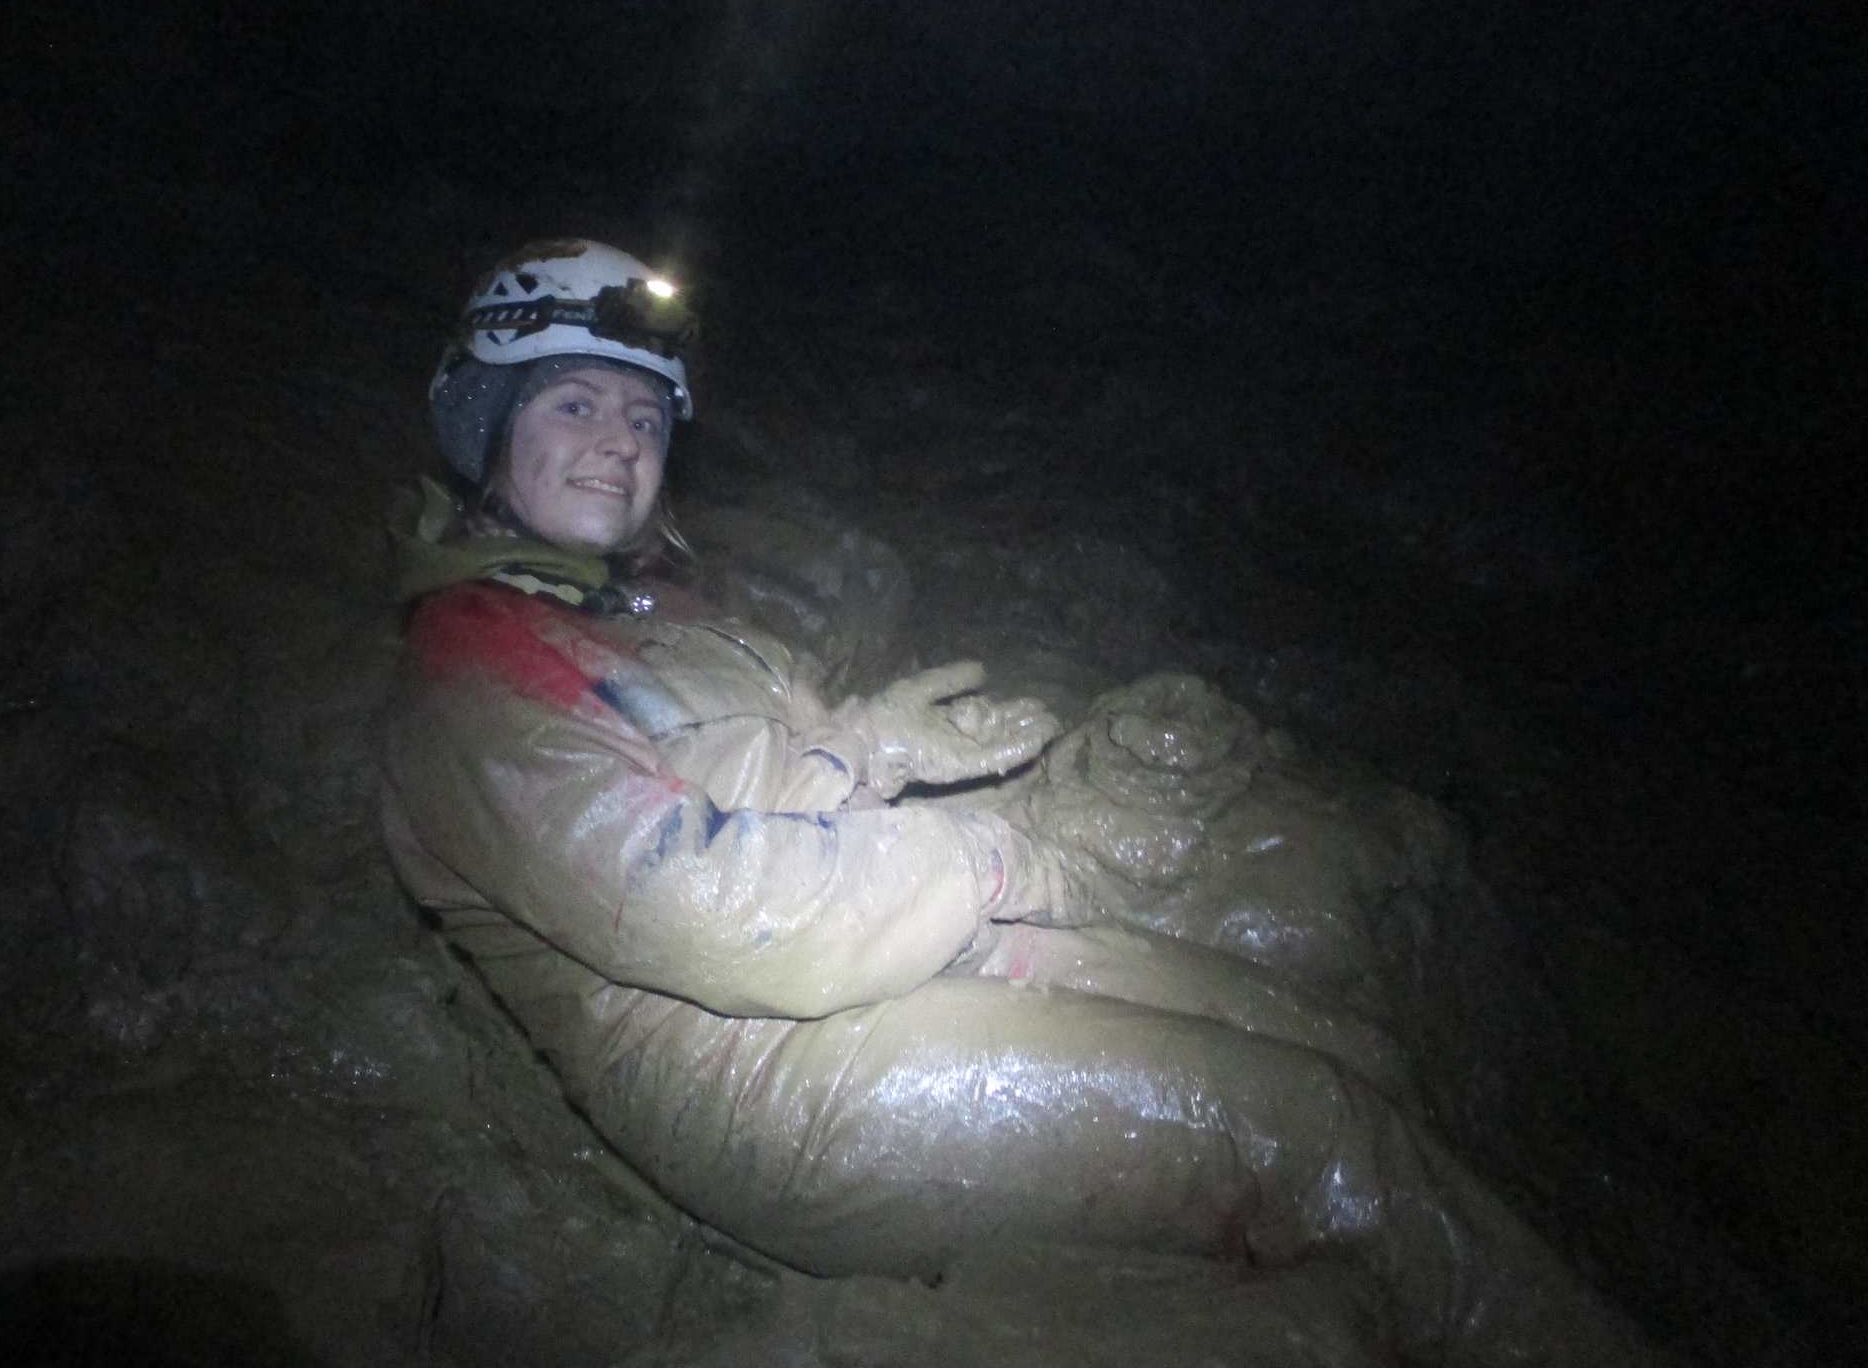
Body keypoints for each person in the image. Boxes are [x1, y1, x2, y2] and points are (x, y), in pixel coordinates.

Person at [377, 239, 1650, 1365]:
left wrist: (868, 748)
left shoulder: (620, 610)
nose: (619, 439)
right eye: (575, 402)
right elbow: (713, 908)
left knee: (1336, 1048)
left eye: (645, 416)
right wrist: (988, 855)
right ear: (491, 425)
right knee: (1316, 1138)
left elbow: (720, 785)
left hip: (871, 969)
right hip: (758, 1074)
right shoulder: (470, 675)